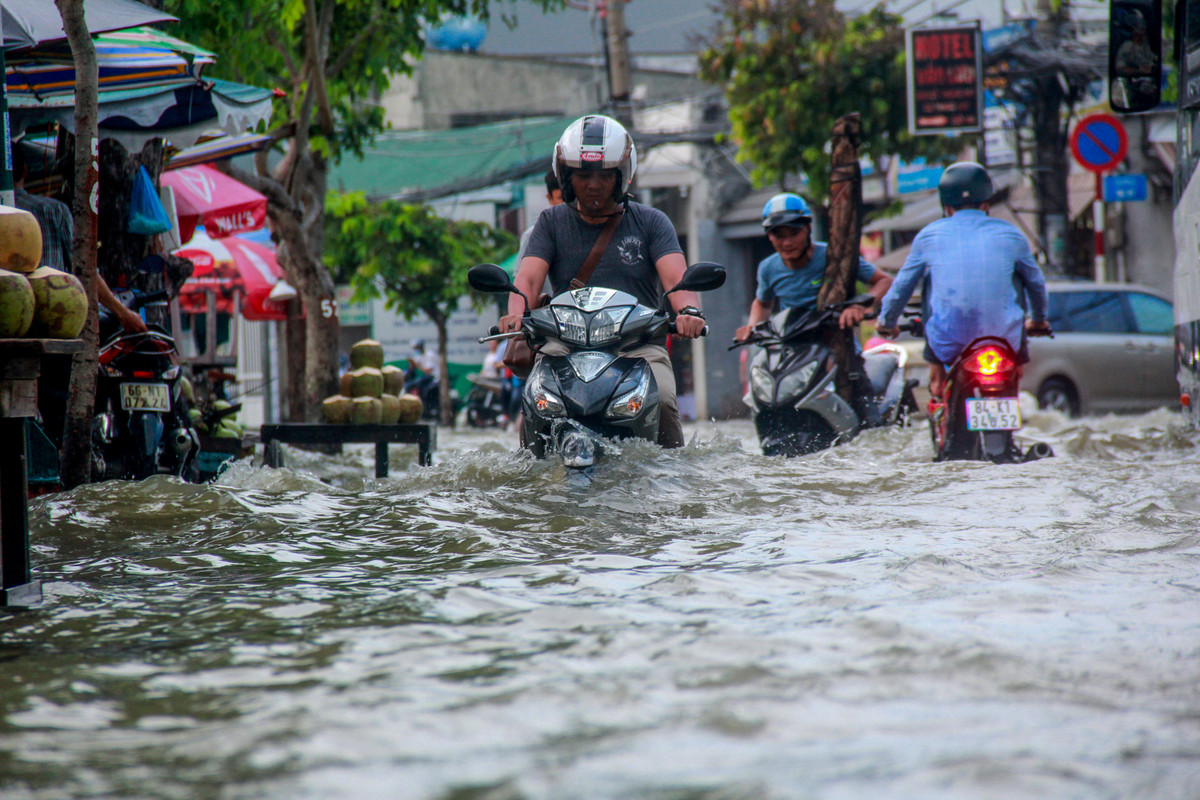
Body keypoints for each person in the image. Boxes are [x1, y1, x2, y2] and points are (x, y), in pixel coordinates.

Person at [498, 114, 705, 448]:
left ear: (620, 175)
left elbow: (677, 280)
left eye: (603, 175)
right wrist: (515, 313)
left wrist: (689, 312)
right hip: (563, 345)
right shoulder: (550, 223)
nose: (593, 184)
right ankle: (527, 480)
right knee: (534, 402)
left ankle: (674, 483)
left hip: (636, 347)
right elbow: (528, 279)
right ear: (566, 176)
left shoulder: (652, 222)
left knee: (663, 399)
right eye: (582, 175)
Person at [874, 162, 1050, 400]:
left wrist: (887, 321)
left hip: (948, 343)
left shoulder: (929, 235)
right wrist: (1038, 320)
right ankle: (1014, 379)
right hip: (1005, 340)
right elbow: (1036, 284)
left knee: (929, 281)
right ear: (987, 203)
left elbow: (902, 286)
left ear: (946, 207)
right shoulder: (1012, 235)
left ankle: (937, 377)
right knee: (1019, 277)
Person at [733, 192, 893, 425]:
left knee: (868, 419)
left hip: (840, 348)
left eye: (794, 233)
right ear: (769, 236)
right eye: (779, 235)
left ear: (808, 229)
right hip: (794, 354)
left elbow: (884, 281)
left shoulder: (835, 257)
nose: (787, 242)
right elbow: (762, 303)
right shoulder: (768, 268)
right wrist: (751, 327)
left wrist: (859, 305)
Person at [13, 145, 147, 334]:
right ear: (25, 172)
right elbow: (85, 267)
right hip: (52, 319)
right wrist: (122, 312)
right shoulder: (52, 210)